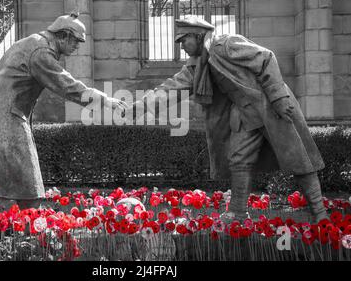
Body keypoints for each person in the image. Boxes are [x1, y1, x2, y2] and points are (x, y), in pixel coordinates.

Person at [128, 16, 328, 223]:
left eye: (184, 40)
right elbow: (170, 88)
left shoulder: (225, 44)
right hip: (244, 114)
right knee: (239, 159)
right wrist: (140, 107)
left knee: (298, 158)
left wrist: (278, 97)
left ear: (196, 36)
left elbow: (266, 58)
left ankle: (320, 214)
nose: (182, 47)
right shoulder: (197, 66)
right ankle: (239, 213)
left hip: (271, 106)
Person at [0, 13, 128, 210]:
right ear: (63, 35)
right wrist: (106, 101)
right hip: (5, 111)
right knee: (28, 178)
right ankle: (32, 229)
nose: (77, 46)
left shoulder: (31, 41)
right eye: (76, 41)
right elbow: (67, 86)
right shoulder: (41, 52)